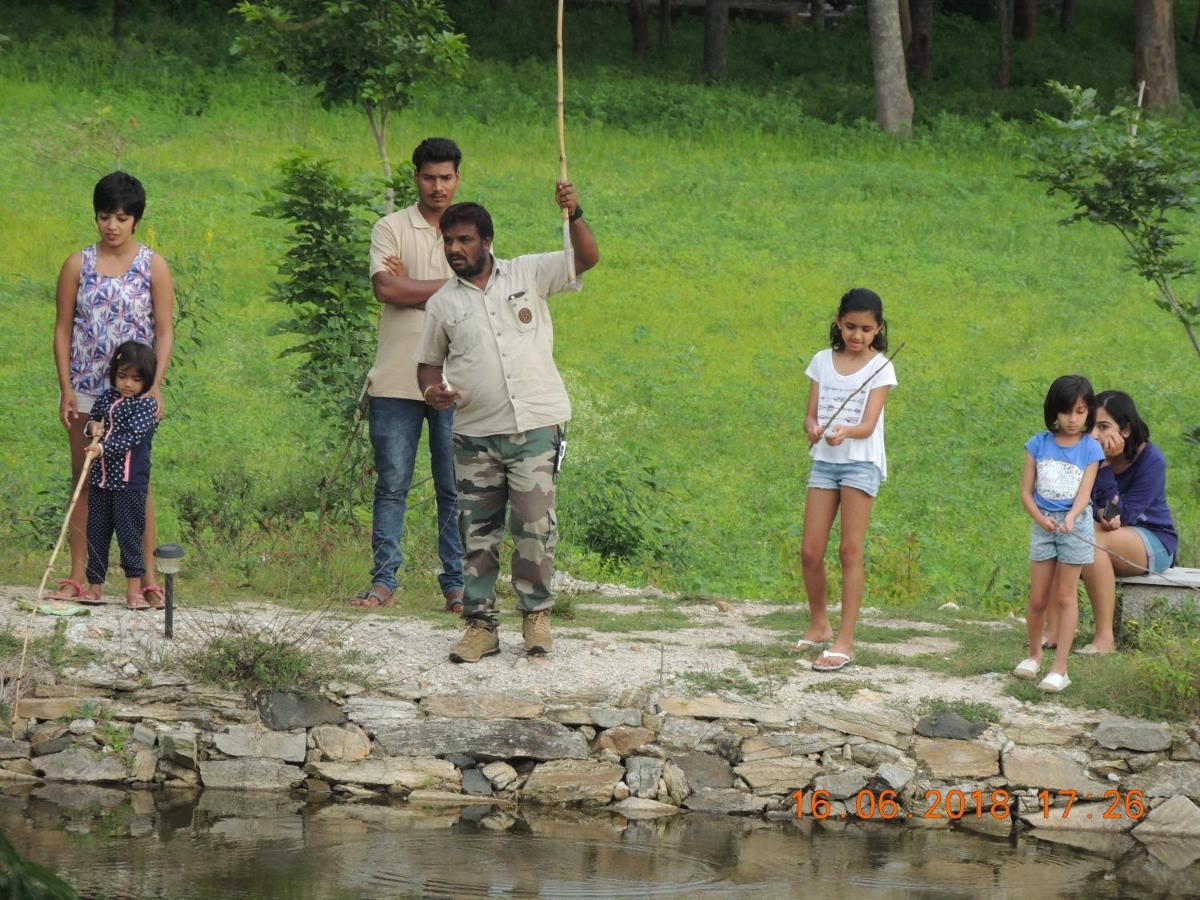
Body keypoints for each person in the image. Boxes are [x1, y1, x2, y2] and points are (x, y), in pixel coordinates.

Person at [415, 184, 599, 663]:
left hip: (537, 423)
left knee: (535, 523)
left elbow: (587, 258)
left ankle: (536, 617)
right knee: (476, 531)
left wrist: (574, 212)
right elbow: (428, 366)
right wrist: (432, 393)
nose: (455, 248)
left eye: (465, 240)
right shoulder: (442, 304)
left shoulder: (529, 273)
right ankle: (480, 626)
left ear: (487, 242)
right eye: (449, 241)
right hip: (474, 433)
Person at [350, 138, 467, 613]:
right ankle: (383, 583)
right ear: (414, 177)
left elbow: (479, 291)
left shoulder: (470, 229)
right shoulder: (390, 227)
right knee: (392, 482)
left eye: (446, 177)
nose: (437, 187)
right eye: (428, 177)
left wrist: (412, 288)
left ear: (458, 178)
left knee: (453, 486)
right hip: (397, 378)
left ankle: (457, 585)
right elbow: (386, 288)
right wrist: (452, 288)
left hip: (455, 379)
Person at [50, 172, 174, 605]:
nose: (112, 225)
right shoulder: (77, 264)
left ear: (135, 219)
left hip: (136, 395)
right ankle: (78, 576)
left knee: (136, 482)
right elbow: (64, 329)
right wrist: (67, 388)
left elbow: (164, 330)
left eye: (122, 217)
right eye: (105, 216)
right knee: (85, 479)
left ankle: (146, 579)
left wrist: (154, 387)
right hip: (86, 390)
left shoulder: (152, 265)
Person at [792, 289, 898, 673]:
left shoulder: (881, 368)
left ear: (878, 329)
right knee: (809, 551)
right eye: (851, 326)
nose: (857, 335)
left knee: (849, 551)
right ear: (838, 321)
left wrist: (845, 432)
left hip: (859, 462)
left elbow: (868, 425)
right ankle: (820, 623)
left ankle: (846, 640)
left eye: (866, 329)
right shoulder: (822, 361)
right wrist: (812, 428)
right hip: (824, 461)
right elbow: (809, 415)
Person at [1012, 375, 1105, 692]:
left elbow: (1085, 493)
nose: (1073, 419)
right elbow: (1026, 492)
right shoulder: (1037, 444)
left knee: (1065, 597)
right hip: (1043, 526)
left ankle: (1060, 668)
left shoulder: (1091, 448)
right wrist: (1041, 518)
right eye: (1067, 412)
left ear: (1088, 412)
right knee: (1038, 598)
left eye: (1080, 412)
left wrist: (1072, 517)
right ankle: (1034, 655)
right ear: (1054, 411)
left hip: (1074, 526)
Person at [1076, 391, 1178, 655]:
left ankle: (1104, 639)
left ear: (1126, 430)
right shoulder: (1088, 454)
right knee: (1075, 534)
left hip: (1152, 540)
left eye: (1104, 427)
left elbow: (1123, 516)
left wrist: (1105, 467)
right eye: (1091, 427)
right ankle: (1056, 629)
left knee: (1092, 538)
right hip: (1105, 534)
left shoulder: (1151, 460)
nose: (1095, 435)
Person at [81, 342, 160, 609]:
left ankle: (134, 591)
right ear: (114, 374)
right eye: (122, 376)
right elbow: (94, 420)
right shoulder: (106, 398)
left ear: (146, 381)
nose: (128, 384)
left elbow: (130, 439)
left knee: (129, 536)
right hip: (101, 482)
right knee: (97, 534)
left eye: (136, 379)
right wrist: (92, 428)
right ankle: (94, 588)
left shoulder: (146, 405)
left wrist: (101, 448)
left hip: (129, 484)